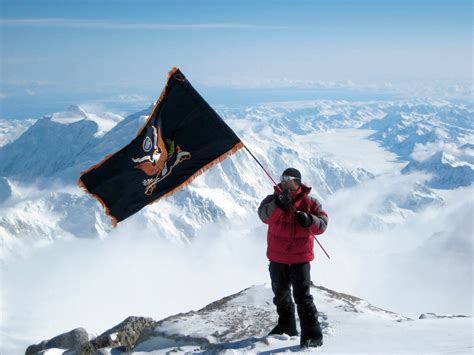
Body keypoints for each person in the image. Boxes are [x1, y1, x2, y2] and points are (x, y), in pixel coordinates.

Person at [258, 167, 329, 348]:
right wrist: (278, 206)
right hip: (277, 257)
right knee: (280, 294)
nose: (286, 185)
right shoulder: (273, 199)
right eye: (283, 181)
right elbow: (264, 216)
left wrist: (309, 220)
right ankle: (286, 326)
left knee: (302, 297)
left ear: (298, 183)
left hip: (300, 258)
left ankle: (313, 335)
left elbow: (322, 225)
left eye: (290, 182)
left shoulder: (310, 202)